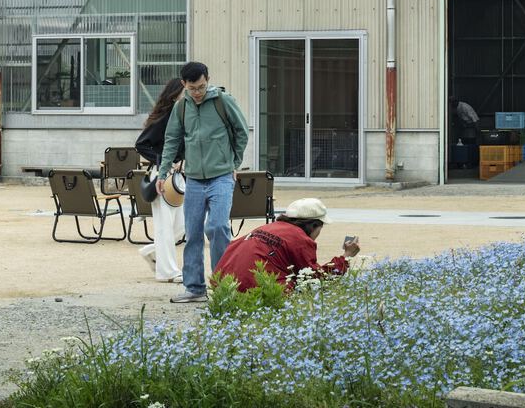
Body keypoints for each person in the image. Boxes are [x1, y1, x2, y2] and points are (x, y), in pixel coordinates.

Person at [158, 60, 248, 304]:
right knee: (193, 233)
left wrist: (234, 162)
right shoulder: (181, 107)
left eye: (201, 87)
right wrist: (163, 172)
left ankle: (223, 287)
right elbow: (172, 139)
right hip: (194, 179)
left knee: (217, 227)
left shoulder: (223, 101)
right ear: (183, 84)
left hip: (221, 176)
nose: (197, 92)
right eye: (192, 88)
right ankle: (195, 288)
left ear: (207, 80)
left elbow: (242, 132)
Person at [214, 197, 360, 292]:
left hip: (223, 287)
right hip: (253, 292)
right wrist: (346, 257)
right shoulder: (300, 239)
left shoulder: (269, 227)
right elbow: (316, 278)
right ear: (314, 225)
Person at [134, 77, 186, 282]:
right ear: (175, 95)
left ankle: (151, 252)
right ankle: (167, 272)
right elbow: (141, 144)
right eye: (185, 92)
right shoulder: (165, 117)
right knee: (165, 225)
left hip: (178, 176)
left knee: (182, 225)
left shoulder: (185, 115)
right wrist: (166, 161)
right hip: (163, 176)